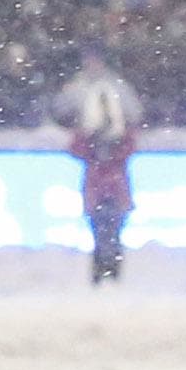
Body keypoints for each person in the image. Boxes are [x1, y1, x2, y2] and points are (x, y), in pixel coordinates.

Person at [53, 50, 145, 284]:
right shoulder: (84, 92)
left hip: (105, 186)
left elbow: (77, 149)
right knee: (104, 231)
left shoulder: (116, 93)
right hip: (107, 186)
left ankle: (108, 272)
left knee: (110, 231)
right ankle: (106, 272)